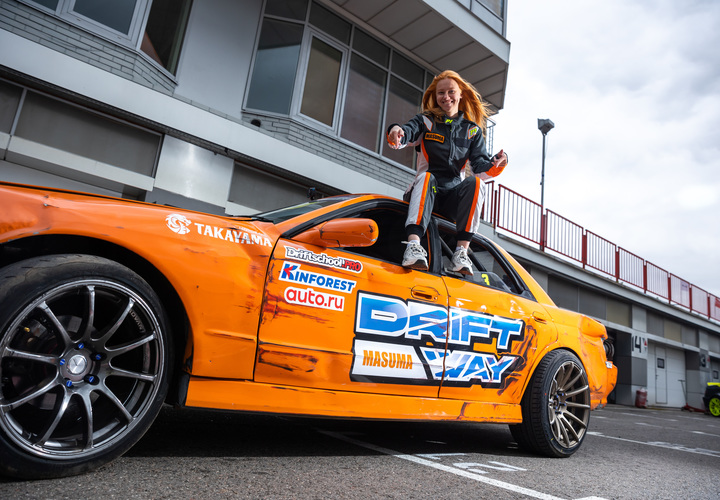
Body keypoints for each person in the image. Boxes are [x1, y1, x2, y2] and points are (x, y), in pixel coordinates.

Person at [386, 70, 508, 275]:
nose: (446, 97)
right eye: (441, 93)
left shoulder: (472, 131)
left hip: (452, 201)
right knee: (427, 177)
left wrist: (497, 163)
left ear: (461, 94)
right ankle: (413, 245)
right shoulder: (426, 121)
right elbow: (405, 134)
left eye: (451, 91)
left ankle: (461, 253)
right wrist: (395, 131)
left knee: (476, 183)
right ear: (435, 97)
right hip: (424, 193)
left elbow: (480, 168)